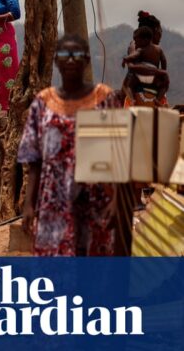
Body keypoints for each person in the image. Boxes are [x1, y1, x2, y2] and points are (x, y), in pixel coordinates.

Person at [18, 34, 124, 257]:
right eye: (65, 55)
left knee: (96, 269)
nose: (71, 60)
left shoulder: (104, 98)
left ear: (86, 60)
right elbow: (34, 160)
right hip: (54, 200)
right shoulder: (43, 102)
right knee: (55, 269)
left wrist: (117, 200)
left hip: (98, 199)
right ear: (56, 60)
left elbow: (120, 151)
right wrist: (29, 204)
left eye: (78, 55)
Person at [124, 11, 169, 108]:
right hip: (137, 92)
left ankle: (157, 102)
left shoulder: (156, 49)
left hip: (152, 91)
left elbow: (164, 65)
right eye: (160, 30)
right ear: (155, 30)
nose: (161, 34)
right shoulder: (135, 45)